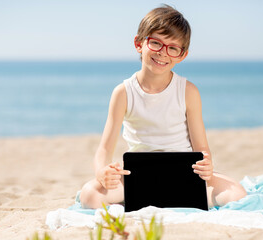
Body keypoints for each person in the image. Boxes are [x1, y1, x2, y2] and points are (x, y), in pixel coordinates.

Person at [80, 4, 246, 209]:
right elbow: (104, 148)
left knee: (237, 193)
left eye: (173, 48)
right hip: (138, 175)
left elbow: (201, 147)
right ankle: (146, 198)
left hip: (186, 173)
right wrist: (101, 171)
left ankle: (156, 199)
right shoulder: (123, 92)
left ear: (182, 55)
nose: (163, 53)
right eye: (156, 43)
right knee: (89, 195)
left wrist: (206, 164)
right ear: (139, 43)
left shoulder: (188, 91)